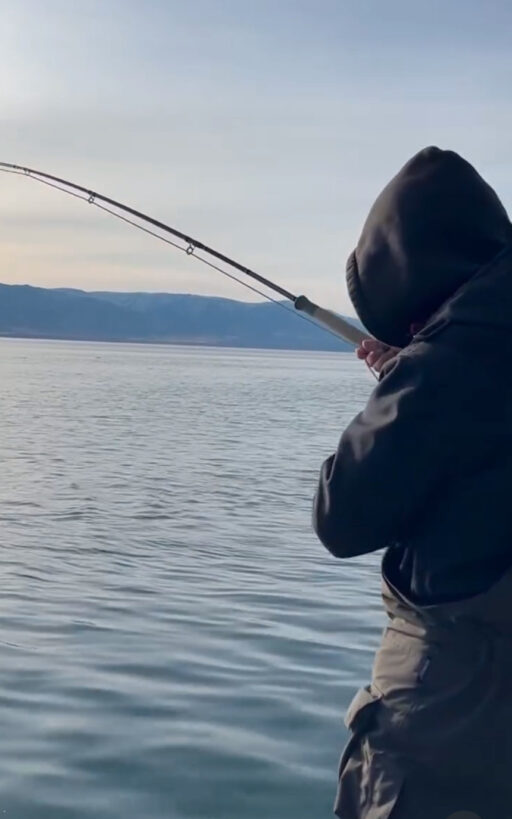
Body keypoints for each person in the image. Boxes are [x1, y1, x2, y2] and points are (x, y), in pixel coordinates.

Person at [314, 146, 512, 819]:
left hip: (449, 712)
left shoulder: (447, 364)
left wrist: (408, 381)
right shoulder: (470, 349)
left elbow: (341, 515)